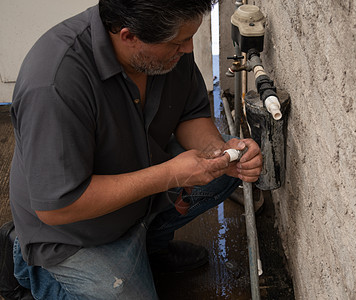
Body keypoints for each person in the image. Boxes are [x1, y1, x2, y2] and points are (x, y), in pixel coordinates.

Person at [0, 0, 263, 299]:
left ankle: (148, 247)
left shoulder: (164, 45)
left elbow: (189, 113)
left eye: (190, 38)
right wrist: (169, 175)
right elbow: (59, 207)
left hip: (137, 186)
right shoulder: (54, 84)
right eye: (179, 42)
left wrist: (220, 152)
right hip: (73, 232)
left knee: (226, 172)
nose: (189, 49)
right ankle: (24, 265)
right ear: (128, 36)